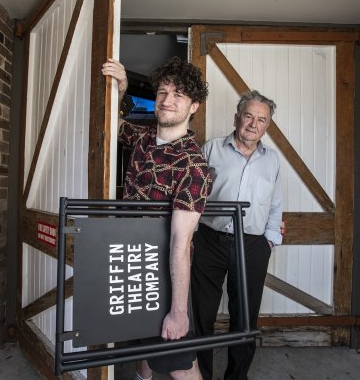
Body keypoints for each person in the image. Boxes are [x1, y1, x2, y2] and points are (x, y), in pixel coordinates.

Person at [102, 57, 211, 380]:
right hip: (131, 262)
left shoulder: (192, 165)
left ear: (194, 106)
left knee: (178, 362)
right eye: (163, 92)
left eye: (178, 94)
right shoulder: (144, 139)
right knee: (143, 345)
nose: (167, 100)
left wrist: (178, 311)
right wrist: (120, 89)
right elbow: (113, 124)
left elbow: (181, 243)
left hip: (165, 275)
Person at [191, 90, 283, 380]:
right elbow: (194, 197)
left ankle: (236, 377)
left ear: (267, 126)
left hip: (253, 246)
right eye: (248, 116)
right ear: (236, 118)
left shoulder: (272, 160)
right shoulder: (211, 150)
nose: (254, 124)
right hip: (209, 241)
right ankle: (200, 375)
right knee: (201, 314)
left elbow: (276, 203)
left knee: (244, 317)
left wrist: (269, 240)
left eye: (262, 119)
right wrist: (190, 237)